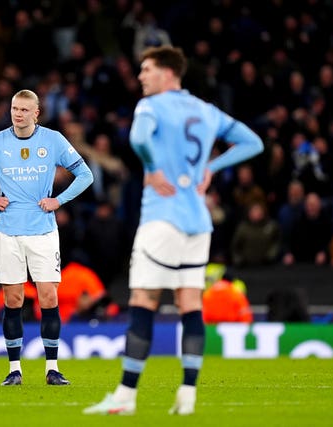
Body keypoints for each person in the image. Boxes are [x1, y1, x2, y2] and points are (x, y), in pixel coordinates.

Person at [84, 46, 263, 416]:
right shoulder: (207, 110)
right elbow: (253, 142)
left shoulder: (151, 106)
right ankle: (187, 395)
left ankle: (126, 396)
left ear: (167, 73)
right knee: (190, 305)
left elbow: (138, 139)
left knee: (144, 303)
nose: (141, 77)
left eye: (147, 69)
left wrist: (151, 166)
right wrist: (213, 166)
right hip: (199, 223)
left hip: (162, 218)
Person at [0, 89, 94, 386]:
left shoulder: (53, 140)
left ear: (36, 113)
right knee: (13, 299)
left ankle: (52, 369)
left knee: (48, 296)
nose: (17, 114)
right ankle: (14, 370)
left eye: (23, 109)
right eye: (14, 108)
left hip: (43, 230)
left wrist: (59, 200)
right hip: (8, 232)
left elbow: (85, 174)